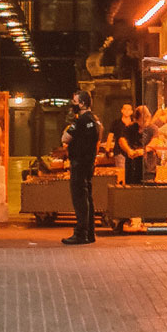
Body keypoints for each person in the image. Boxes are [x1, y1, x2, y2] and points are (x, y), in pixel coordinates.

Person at [60, 89, 101, 245]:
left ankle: (80, 233)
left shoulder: (81, 121)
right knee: (88, 198)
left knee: (79, 199)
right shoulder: (95, 120)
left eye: (75, 102)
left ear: (82, 103)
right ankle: (90, 233)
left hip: (79, 163)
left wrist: (71, 124)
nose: (73, 105)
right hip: (89, 163)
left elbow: (65, 138)